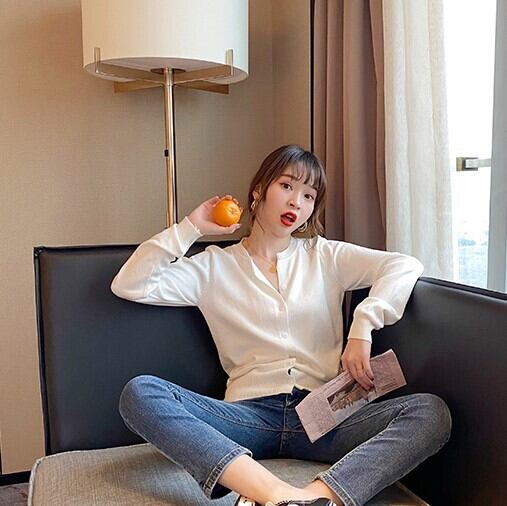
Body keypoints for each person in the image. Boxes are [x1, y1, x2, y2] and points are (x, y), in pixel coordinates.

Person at [111, 145, 451, 506]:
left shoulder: (325, 256)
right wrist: (191, 227)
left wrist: (363, 325)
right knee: (140, 393)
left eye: (308, 195)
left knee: (430, 412)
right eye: (287, 186)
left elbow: (403, 265)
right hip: (247, 416)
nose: (296, 203)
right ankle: (273, 493)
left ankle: (317, 498)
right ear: (258, 191)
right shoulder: (212, 267)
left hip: (325, 416)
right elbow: (130, 284)